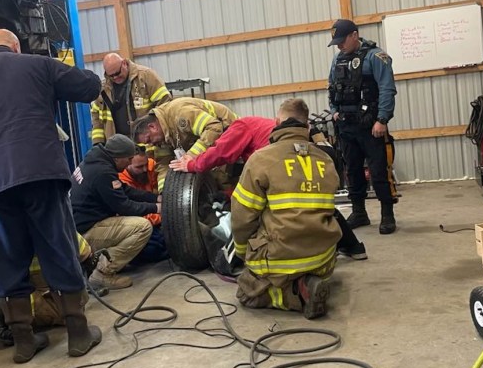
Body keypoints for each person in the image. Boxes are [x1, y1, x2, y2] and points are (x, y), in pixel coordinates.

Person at [0, 29, 102, 364]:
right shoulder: (38, 65)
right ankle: (78, 334)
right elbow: (89, 87)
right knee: (58, 247)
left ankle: (24, 342)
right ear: (16, 46)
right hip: (43, 174)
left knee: (6, 258)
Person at [170, 111, 367, 261]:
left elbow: (222, 152)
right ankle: (353, 247)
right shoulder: (260, 125)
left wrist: (192, 164)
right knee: (315, 205)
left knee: (264, 211)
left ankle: (257, 252)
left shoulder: (241, 125)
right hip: (305, 160)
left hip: (284, 164)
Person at [231, 98, 340, 319]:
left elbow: (242, 218)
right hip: (324, 258)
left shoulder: (260, 160)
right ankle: (307, 280)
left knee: (246, 292)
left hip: (282, 258)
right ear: (307, 126)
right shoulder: (327, 160)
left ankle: (295, 294)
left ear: (276, 122)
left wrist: (243, 253)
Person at [328, 19, 398, 234]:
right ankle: (359, 212)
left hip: (371, 126)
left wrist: (382, 120)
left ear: (355, 35)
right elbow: (332, 88)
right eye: (337, 42)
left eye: (342, 41)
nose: (340, 46)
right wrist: (334, 111)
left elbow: (387, 89)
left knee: (378, 172)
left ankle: (387, 215)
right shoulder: (338, 59)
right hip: (346, 126)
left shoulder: (375, 57)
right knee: (353, 171)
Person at [0, 225, 96, 346]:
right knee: (74, 297)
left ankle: (21, 339)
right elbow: (84, 253)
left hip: (9, 303)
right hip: (42, 300)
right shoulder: (43, 211)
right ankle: (79, 336)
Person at [71, 135, 160, 289]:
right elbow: (124, 206)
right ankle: (102, 273)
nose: (130, 163)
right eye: (129, 159)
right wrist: (156, 208)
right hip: (85, 234)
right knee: (143, 227)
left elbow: (124, 190)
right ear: (118, 158)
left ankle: (98, 262)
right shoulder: (102, 172)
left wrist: (155, 198)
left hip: (79, 229)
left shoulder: (96, 160)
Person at [131, 97, 239, 191]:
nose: (151, 144)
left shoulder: (180, 113)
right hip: (214, 145)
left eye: (149, 139)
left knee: (225, 180)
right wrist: (165, 192)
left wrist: (191, 155)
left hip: (232, 134)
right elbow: (164, 164)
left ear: (152, 127)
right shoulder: (161, 136)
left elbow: (214, 128)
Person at [90, 53, 172, 144]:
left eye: (117, 73)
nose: (115, 77)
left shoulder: (146, 76)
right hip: (119, 148)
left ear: (124, 63)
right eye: (111, 76)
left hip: (149, 143)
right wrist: (98, 144)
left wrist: (159, 138)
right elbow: (97, 120)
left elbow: (165, 105)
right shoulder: (104, 90)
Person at [118, 147, 168, 265]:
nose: (145, 169)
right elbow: (133, 212)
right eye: (139, 167)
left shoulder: (152, 166)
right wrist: (162, 215)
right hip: (142, 222)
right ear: (127, 165)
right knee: (152, 248)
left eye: (145, 164)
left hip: (157, 215)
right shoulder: (121, 180)